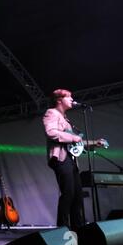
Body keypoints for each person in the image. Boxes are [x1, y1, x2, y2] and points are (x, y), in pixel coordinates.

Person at [42, 89, 105, 230]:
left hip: (72, 161)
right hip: (61, 158)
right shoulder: (51, 113)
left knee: (77, 196)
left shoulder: (66, 120)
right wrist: (74, 137)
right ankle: (62, 229)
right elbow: (51, 132)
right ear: (59, 100)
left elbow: (75, 143)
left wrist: (94, 143)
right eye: (69, 97)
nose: (72, 99)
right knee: (68, 193)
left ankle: (78, 230)